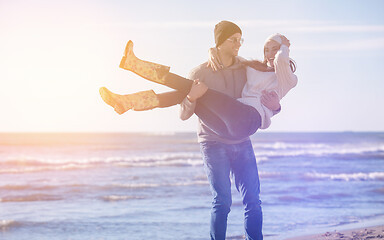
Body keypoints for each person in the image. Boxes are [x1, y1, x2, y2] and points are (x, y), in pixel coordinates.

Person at [100, 20, 298, 240]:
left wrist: (276, 106)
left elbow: (272, 87)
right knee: (221, 201)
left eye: (240, 40)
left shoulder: (245, 67)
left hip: (240, 135)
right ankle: (129, 95)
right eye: (233, 40)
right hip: (214, 139)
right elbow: (184, 114)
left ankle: (132, 84)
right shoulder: (202, 71)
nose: (238, 45)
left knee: (252, 199)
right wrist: (192, 97)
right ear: (220, 43)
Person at [99, 32, 297, 141]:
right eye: (267, 49)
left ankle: (135, 65)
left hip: (248, 119)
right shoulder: (253, 66)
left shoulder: (287, 77)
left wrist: (284, 46)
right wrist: (213, 52)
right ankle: (127, 102)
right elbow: (230, 58)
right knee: (188, 92)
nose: (271, 53)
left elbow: (281, 61)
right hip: (227, 128)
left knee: (190, 86)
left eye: (275, 49)